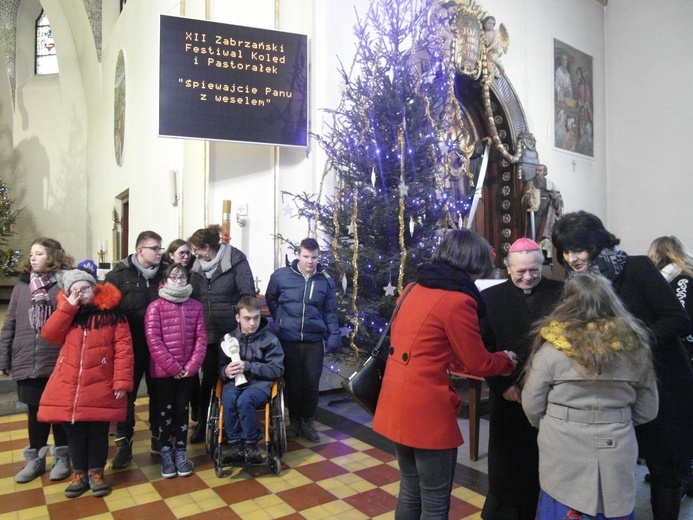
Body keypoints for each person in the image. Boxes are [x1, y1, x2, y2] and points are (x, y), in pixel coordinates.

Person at [552, 211, 693, 520]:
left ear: (597, 243)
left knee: (663, 468)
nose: (571, 258)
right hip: (614, 390)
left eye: (578, 248)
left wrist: (627, 346)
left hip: (661, 382)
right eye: (565, 251)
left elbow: (677, 320)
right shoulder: (576, 283)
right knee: (617, 467)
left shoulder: (637, 268)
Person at [372, 229, 517, 519]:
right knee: (436, 500)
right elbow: (478, 363)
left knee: (410, 488)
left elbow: (427, 347)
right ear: (473, 264)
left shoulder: (413, 287)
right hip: (426, 409)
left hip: (396, 400)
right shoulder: (457, 300)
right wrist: (507, 360)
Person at [522, 273, 658, 519]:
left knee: (562, 505)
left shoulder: (552, 349)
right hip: (616, 446)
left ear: (567, 303)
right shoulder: (635, 348)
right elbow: (648, 410)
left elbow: (531, 404)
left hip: (562, 448)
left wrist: (554, 423)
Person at [480, 238, 563, 520]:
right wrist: (502, 386)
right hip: (508, 392)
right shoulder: (490, 298)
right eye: (521, 271)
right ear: (507, 267)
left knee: (547, 463)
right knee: (509, 465)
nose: (528, 277)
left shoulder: (561, 293)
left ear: (542, 265)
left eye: (534, 270)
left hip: (551, 395)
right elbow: (484, 347)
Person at [38, 267, 134, 498]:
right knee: (75, 433)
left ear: (95, 287)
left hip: (100, 382)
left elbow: (123, 349)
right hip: (70, 384)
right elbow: (50, 334)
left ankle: (96, 473)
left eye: (85, 288)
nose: (81, 293)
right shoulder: (68, 312)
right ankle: (79, 473)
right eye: (75, 289)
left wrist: (121, 381)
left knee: (98, 432)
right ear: (68, 292)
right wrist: (68, 306)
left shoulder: (113, 314)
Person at [0, 238, 74, 483]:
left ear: (52, 256)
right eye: (31, 253)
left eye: (39, 253)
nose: (32, 258)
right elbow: (9, 323)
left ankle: (63, 457)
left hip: (56, 358)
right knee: (35, 413)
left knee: (60, 412)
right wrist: (4, 358)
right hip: (26, 358)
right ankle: (36, 459)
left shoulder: (63, 284)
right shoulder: (22, 287)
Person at [266, 238, 341, 443]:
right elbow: (271, 299)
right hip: (288, 340)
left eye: (314, 257)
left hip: (313, 341)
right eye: (306, 256)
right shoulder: (281, 276)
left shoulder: (325, 280)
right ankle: (294, 422)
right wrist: (281, 318)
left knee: (310, 384)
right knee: (292, 383)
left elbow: (330, 311)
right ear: (298, 255)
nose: (310, 261)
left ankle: (307, 422)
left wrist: (334, 335)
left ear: (318, 257)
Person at [187, 225, 256, 443]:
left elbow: (247, 295)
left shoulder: (235, 260)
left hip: (230, 334)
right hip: (204, 333)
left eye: (197, 249)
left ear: (207, 248)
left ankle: (229, 424)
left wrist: (239, 323)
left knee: (230, 378)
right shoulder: (194, 265)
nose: (195, 253)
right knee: (208, 378)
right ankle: (204, 423)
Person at [105, 230, 167, 467]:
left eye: (160, 248)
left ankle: (158, 439)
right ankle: (124, 445)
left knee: (159, 395)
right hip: (128, 347)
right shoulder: (118, 276)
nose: (160, 252)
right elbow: (106, 311)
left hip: (159, 347)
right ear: (140, 250)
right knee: (126, 398)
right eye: (155, 248)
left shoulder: (166, 274)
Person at [144, 263, 207, 478]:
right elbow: (153, 341)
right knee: (164, 414)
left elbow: (201, 340)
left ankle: (181, 452)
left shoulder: (196, 307)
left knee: (182, 413)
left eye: (182, 278)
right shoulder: (155, 307)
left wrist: (190, 367)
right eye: (174, 277)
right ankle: (166, 454)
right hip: (164, 373)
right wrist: (173, 367)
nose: (178, 281)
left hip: (186, 373)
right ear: (165, 280)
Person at [647, 235, 693, 496]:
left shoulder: (679, 281)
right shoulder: (686, 275)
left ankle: (683, 474)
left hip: (684, 353)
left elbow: (680, 318)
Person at [220, 296, 284, 465]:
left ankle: (250, 445)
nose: (252, 323)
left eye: (256, 318)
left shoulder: (270, 340)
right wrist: (225, 371)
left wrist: (248, 366)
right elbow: (219, 369)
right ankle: (235, 445)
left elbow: (277, 369)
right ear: (238, 318)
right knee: (229, 399)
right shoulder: (229, 339)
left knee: (245, 400)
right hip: (233, 383)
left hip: (260, 384)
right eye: (247, 319)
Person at [163, 239, 198, 421]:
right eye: (181, 253)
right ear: (171, 255)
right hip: (168, 348)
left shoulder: (194, 274)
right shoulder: (164, 279)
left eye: (188, 253)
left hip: (188, 344)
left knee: (188, 392)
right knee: (166, 400)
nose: (185, 256)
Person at [522, 164, 563, 259]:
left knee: (547, 231)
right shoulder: (530, 183)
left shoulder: (551, 184)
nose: (537, 172)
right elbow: (525, 196)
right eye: (536, 170)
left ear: (544, 172)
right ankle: (532, 250)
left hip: (548, 210)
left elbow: (558, 200)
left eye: (540, 170)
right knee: (534, 231)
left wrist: (555, 199)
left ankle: (545, 254)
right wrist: (528, 199)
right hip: (536, 210)